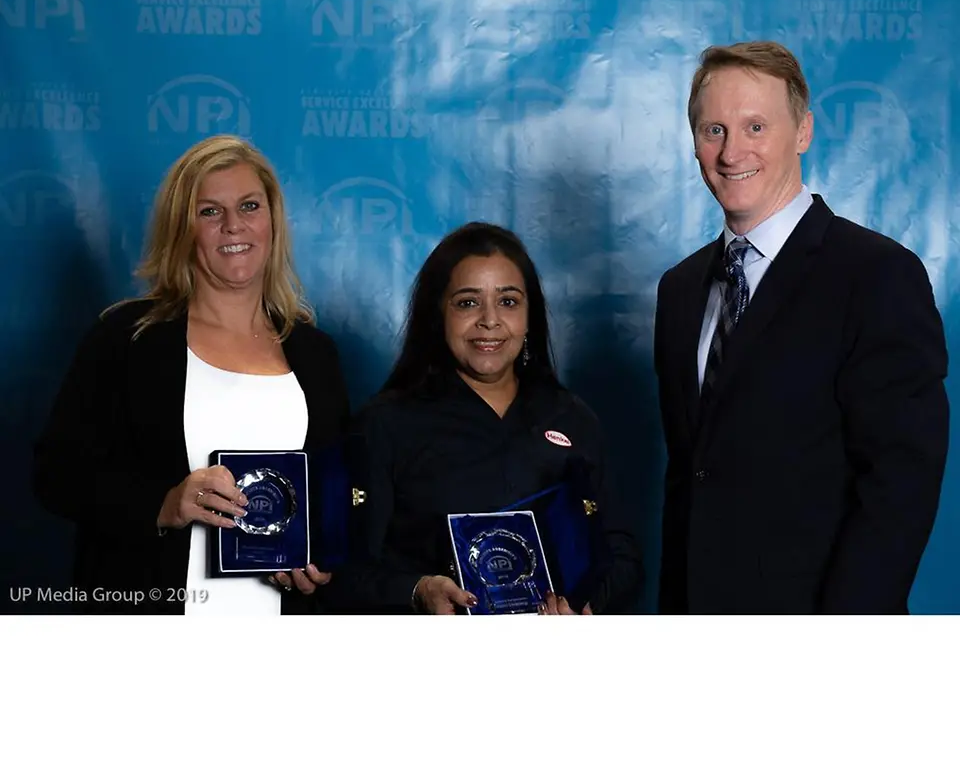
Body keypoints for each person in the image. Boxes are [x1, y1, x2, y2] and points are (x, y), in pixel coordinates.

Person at [653, 41, 949, 614]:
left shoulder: (877, 275)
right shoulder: (681, 289)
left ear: (804, 131)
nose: (732, 150)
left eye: (756, 125)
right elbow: (691, 480)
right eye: (714, 129)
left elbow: (900, 487)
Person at [33, 135, 350, 614]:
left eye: (249, 206)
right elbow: (56, 474)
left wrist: (319, 554)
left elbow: (337, 488)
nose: (233, 226)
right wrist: (165, 503)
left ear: (272, 220)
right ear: (182, 228)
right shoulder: (127, 338)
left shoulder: (316, 354)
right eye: (209, 212)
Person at [344, 221, 644, 615]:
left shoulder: (572, 417)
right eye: (467, 302)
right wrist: (418, 590)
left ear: (529, 315)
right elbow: (347, 571)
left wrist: (584, 609)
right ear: (438, 315)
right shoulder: (384, 424)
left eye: (508, 301)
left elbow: (622, 554)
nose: (490, 320)